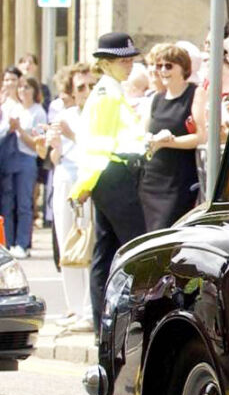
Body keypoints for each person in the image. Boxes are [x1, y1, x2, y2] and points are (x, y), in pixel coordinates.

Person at [73, 33, 149, 326]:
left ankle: (102, 321)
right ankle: (133, 317)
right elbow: (98, 146)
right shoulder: (107, 94)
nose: (129, 64)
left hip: (109, 176)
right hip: (111, 175)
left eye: (131, 59)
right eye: (122, 60)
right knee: (135, 246)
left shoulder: (110, 90)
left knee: (105, 252)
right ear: (105, 63)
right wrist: (84, 185)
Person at [46, 64, 92, 327]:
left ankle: (87, 308)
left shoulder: (93, 114)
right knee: (66, 242)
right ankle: (74, 307)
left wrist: (71, 134)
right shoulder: (65, 114)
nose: (86, 92)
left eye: (89, 86)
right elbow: (55, 157)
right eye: (80, 87)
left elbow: (91, 147)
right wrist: (55, 143)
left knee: (85, 241)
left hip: (86, 180)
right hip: (65, 177)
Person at [139, 44, 201, 230]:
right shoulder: (156, 99)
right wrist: (152, 140)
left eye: (169, 66)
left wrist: (168, 142)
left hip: (178, 181)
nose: (163, 71)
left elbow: (200, 137)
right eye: (159, 66)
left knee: (168, 230)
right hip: (152, 180)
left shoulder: (194, 93)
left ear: (183, 68)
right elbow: (144, 134)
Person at [0, 71, 46, 258]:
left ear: (34, 90)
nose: (22, 90)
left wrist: (19, 129)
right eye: (20, 87)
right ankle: (8, 243)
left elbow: (37, 144)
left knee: (24, 204)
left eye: (26, 87)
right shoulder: (14, 108)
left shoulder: (38, 112)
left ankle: (22, 243)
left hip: (26, 159)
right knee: (8, 203)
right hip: (10, 159)